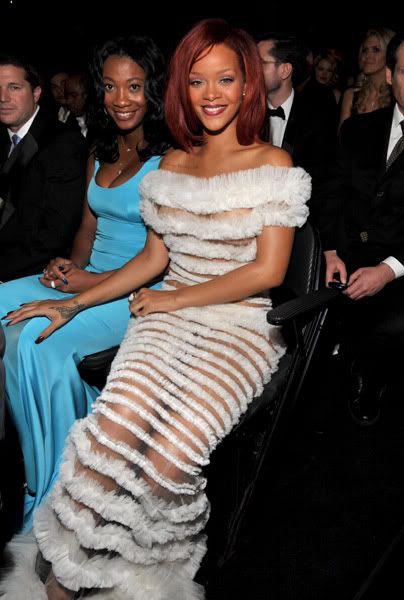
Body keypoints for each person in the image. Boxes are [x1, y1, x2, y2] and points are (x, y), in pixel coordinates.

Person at [0, 19, 310, 599]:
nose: (211, 93)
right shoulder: (172, 165)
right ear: (181, 88)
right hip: (164, 323)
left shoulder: (274, 163)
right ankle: (67, 574)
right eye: (197, 80)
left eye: (225, 79)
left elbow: (267, 273)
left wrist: (174, 298)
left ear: (248, 85)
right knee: (108, 438)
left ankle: (138, 583)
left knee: (171, 455)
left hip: (240, 328)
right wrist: (73, 305)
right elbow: (151, 259)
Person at [0, 34, 169, 532]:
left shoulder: (172, 159)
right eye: (110, 87)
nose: (121, 99)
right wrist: (65, 267)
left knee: (35, 339)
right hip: (87, 277)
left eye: (134, 86)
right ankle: (24, 460)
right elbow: (86, 232)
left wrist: (84, 282)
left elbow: (158, 261)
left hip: (132, 291)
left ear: (153, 89)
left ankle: (60, 487)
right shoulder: (100, 149)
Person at [319, 32, 404, 426]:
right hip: (347, 251)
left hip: (399, 261)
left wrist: (388, 270)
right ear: (389, 74)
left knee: (390, 325)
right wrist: (330, 251)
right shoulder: (357, 129)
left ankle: (369, 375)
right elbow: (331, 193)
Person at [0, 55, 87, 281]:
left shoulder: (63, 142)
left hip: (31, 272)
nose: (3, 97)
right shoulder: (5, 138)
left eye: (14, 87)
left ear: (36, 93)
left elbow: (55, 236)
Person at [257, 32, 336, 222]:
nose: (252, 70)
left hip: (299, 223)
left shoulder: (316, 117)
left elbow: (324, 184)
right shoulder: (243, 114)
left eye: (261, 63)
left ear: (285, 70)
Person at [339, 26, 395, 129]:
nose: (367, 55)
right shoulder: (351, 96)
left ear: (389, 54)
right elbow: (341, 137)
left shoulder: (397, 96)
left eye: (376, 50)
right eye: (365, 50)